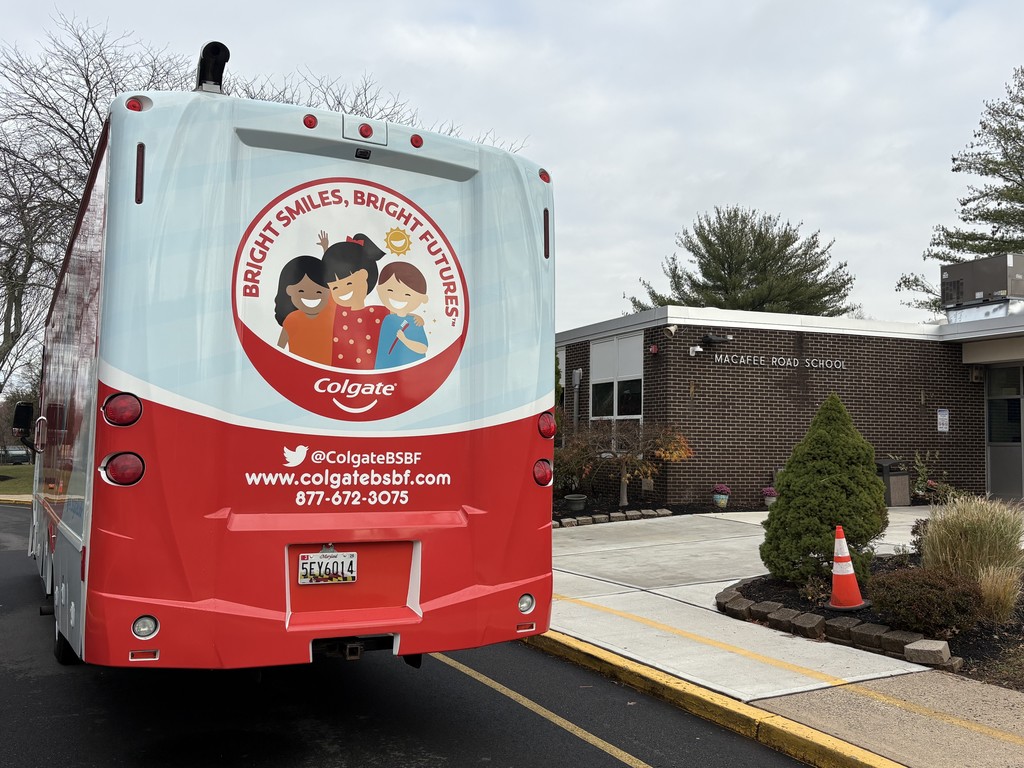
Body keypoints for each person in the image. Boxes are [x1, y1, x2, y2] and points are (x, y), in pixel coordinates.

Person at [321, 234, 388, 369]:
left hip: (372, 379)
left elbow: (401, 317)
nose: (341, 290)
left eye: (349, 283)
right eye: (335, 287)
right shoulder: (335, 309)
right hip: (336, 375)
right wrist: (326, 250)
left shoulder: (380, 314)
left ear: (364, 275)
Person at [274, 254, 332, 365]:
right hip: (298, 369)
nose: (311, 296)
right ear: (289, 290)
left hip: (329, 373)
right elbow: (280, 348)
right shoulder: (291, 319)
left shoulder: (330, 317)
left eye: (319, 292)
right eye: (301, 291)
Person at [375, 262, 429, 369]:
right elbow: (382, 347)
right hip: (385, 372)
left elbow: (423, 348)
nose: (398, 297)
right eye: (390, 290)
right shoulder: (387, 319)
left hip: (413, 371)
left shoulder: (415, 322)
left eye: (407, 294)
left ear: (422, 298)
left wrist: (404, 340)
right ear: (379, 289)